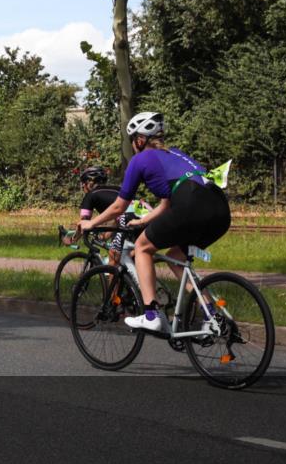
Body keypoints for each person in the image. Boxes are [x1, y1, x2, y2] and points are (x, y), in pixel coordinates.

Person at [78, 112, 231, 333]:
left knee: (142, 247)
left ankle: (152, 315)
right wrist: (143, 220)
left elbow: (119, 206)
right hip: (219, 208)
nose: (133, 145)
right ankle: (213, 316)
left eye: (132, 140)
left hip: (190, 203)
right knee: (176, 258)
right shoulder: (175, 154)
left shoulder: (139, 160)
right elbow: (166, 204)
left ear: (140, 140)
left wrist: (91, 224)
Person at [65, 167, 150, 264]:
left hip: (128, 216)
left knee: (113, 256)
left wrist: (71, 239)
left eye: (83, 183)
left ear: (89, 183)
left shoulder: (91, 195)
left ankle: (113, 273)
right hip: (146, 213)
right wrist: (104, 236)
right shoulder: (117, 189)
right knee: (131, 254)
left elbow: (83, 224)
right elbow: (115, 220)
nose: (82, 186)